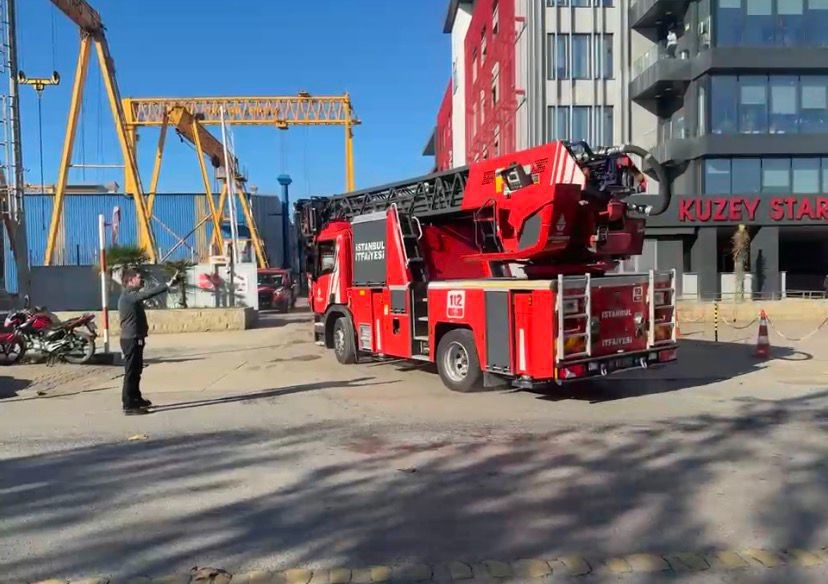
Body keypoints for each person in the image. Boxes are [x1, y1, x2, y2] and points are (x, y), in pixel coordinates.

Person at [118, 267, 179, 415]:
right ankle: (128, 405)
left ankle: (136, 398)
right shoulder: (128, 296)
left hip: (136, 338)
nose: (142, 280)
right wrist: (167, 285)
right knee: (131, 372)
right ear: (131, 280)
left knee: (137, 370)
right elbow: (147, 294)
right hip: (130, 339)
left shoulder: (132, 295)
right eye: (139, 277)